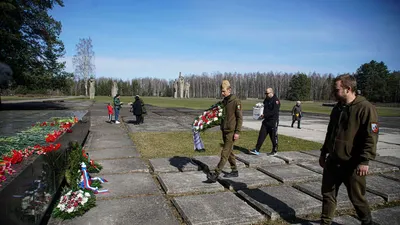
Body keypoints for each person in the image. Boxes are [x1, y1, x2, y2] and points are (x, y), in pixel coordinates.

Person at [319, 74, 378, 225]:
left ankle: (367, 221)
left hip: (353, 164)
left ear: (348, 89)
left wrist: (365, 160)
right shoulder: (337, 108)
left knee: (357, 198)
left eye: (336, 90)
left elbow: (371, 136)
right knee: (327, 194)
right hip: (333, 161)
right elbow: (330, 132)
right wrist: (324, 152)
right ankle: (325, 222)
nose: (334, 93)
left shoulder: (365, 108)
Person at [206, 80, 243, 183]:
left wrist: (237, 132)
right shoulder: (224, 102)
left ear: (229, 90)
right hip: (224, 130)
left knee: (224, 153)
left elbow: (239, 118)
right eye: (221, 91)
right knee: (229, 151)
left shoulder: (236, 101)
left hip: (231, 131)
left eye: (224, 91)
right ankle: (234, 170)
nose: (222, 93)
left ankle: (216, 174)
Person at [249, 88, 280, 156]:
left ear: (271, 93)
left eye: (267, 93)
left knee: (273, 137)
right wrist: (259, 109)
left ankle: (274, 150)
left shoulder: (276, 100)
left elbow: (274, 111)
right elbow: (263, 107)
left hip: (273, 121)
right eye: (265, 93)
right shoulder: (266, 99)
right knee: (261, 134)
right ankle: (257, 149)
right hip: (266, 121)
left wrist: (265, 114)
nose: (266, 95)